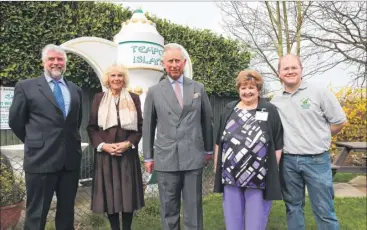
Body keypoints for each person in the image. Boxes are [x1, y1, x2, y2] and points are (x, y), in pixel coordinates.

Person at [8, 44, 83, 230]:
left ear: (65, 63)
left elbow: (74, 122)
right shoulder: (26, 87)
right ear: (43, 62)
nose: (56, 62)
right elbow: (15, 121)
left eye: (60, 59)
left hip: (70, 161)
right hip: (40, 160)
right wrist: (36, 141)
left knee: (67, 214)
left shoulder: (75, 90)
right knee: (36, 215)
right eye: (51, 59)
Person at [271, 54, 347, 230]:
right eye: (286, 68)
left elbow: (340, 122)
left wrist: (321, 135)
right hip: (288, 162)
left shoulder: (319, 92)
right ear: (279, 73)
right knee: (293, 208)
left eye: (293, 68)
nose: (290, 71)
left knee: (324, 210)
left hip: (317, 160)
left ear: (301, 69)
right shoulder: (276, 100)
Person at [142, 43, 214, 230]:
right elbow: (148, 126)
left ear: (184, 63)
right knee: (169, 208)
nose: (174, 65)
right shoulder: (155, 91)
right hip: (166, 157)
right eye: (170, 61)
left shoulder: (198, 88)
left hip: (193, 155)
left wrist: (208, 150)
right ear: (163, 64)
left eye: (178, 61)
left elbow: (207, 121)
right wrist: (148, 156)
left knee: (194, 207)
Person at [213, 70, 284, 230]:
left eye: (251, 87)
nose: (247, 92)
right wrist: (217, 166)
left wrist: (273, 170)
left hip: (258, 176)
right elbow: (220, 140)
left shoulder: (269, 109)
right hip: (231, 175)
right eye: (243, 88)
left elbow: (278, 143)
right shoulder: (229, 109)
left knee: (255, 222)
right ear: (238, 89)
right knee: (233, 222)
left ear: (258, 89)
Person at [86, 64, 144, 230]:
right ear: (108, 79)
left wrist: (128, 143)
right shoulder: (99, 98)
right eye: (113, 76)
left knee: (128, 196)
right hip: (106, 155)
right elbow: (91, 128)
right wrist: (103, 145)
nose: (116, 79)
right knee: (110, 196)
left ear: (124, 79)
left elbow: (140, 127)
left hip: (127, 155)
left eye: (120, 75)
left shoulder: (133, 98)